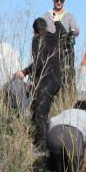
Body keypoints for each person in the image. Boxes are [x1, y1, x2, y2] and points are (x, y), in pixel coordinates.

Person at [15, 18, 61, 151]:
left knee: (40, 114)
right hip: (57, 80)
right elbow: (61, 31)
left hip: (46, 81)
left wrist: (24, 72)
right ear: (46, 27)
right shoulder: (53, 37)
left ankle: (42, 147)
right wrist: (57, 23)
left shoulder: (37, 39)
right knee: (40, 112)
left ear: (34, 30)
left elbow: (39, 62)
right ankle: (42, 142)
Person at [41, 0, 80, 95]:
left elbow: (77, 31)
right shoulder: (46, 16)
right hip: (51, 52)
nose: (59, 2)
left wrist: (71, 34)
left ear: (64, 1)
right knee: (51, 78)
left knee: (67, 79)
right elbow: (40, 30)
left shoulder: (70, 16)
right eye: (57, 0)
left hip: (66, 53)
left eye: (61, 1)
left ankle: (67, 102)